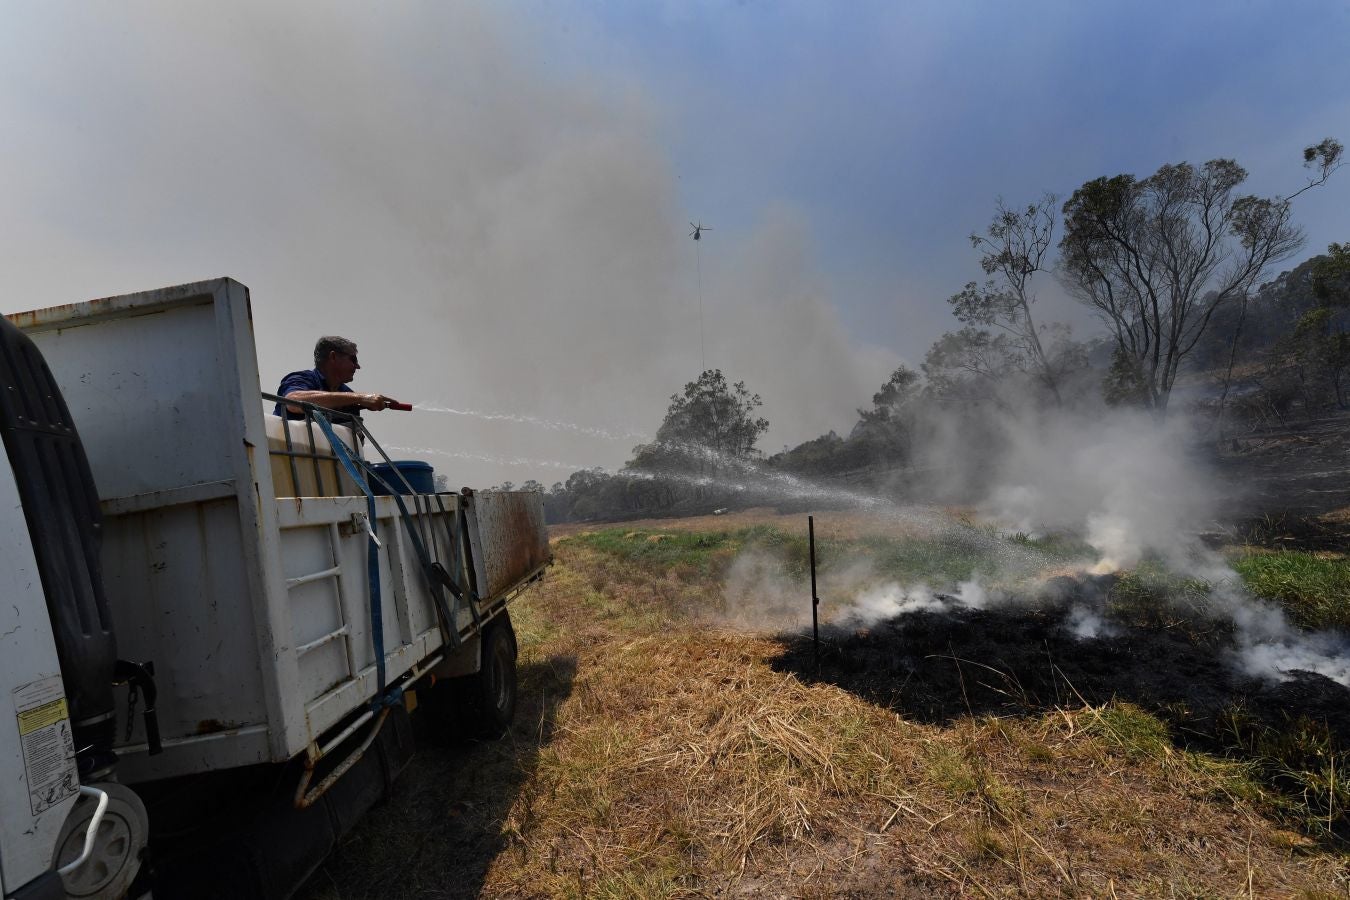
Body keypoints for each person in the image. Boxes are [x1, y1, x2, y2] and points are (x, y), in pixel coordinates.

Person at [273, 336, 402, 425]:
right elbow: (292, 401)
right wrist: (360, 398)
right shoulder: (302, 379)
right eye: (353, 360)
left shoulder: (346, 393)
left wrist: (361, 402)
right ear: (333, 357)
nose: (357, 366)